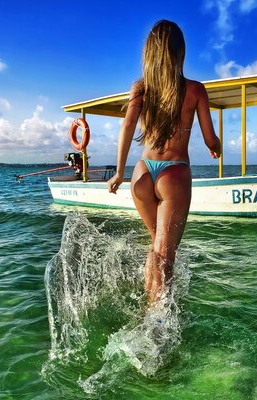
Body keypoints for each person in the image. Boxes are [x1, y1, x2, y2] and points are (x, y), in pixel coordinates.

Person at [107, 20, 221, 305]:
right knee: (165, 255)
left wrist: (120, 172)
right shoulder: (195, 90)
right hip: (174, 174)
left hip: (142, 173)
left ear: (150, 54)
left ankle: (148, 308)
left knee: (156, 246)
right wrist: (215, 147)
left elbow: (128, 127)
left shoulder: (140, 88)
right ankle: (159, 325)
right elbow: (210, 138)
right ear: (180, 53)